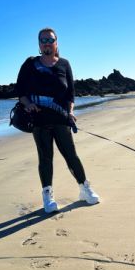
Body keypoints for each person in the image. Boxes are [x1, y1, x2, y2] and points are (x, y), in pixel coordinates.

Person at [16, 27, 99, 213]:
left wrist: (70, 112)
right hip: (39, 119)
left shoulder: (64, 64)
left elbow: (70, 94)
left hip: (61, 118)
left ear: (56, 43)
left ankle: (85, 188)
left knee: (71, 155)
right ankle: (48, 195)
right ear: (39, 44)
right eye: (43, 40)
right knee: (45, 158)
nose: (47, 43)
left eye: (50, 40)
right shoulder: (30, 64)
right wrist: (28, 104)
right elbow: (20, 90)